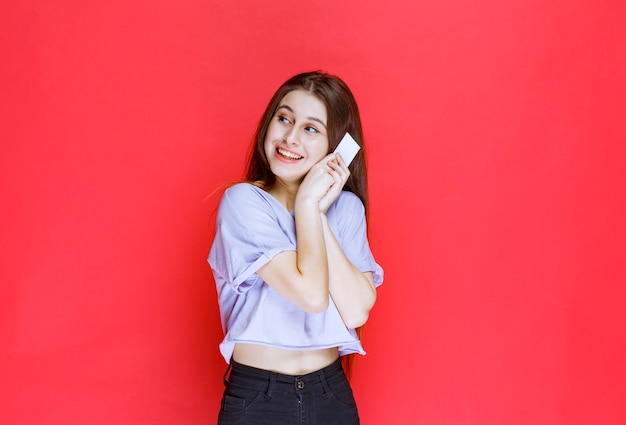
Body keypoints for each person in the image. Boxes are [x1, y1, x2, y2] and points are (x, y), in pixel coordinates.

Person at [208, 71, 384, 425]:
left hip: (330, 394)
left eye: (310, 129)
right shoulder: (243, 203)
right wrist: (306, 206)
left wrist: (315, 210)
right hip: (259, 398)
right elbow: (311, 296)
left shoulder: (347, 209)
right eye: (284, 118)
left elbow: (355, 312)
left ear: (337, 148)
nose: (290, 137)